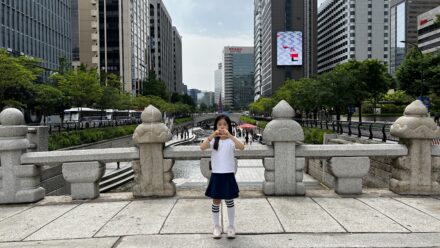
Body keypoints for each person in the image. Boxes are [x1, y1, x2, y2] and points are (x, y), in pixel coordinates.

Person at [200, 115, 245, 239]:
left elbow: (241, 147)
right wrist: (212, 135)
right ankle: (216, 226)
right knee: (216, 201)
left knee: (229, 201)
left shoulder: (231, 140)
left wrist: (230, 135)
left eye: (225, 124)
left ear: (229, 126)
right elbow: (202, 147)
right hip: (217, 175)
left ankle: (231, 226)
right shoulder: (214, 140)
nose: (222, 126)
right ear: (216, 127)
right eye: (219, 124)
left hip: (228, 174)